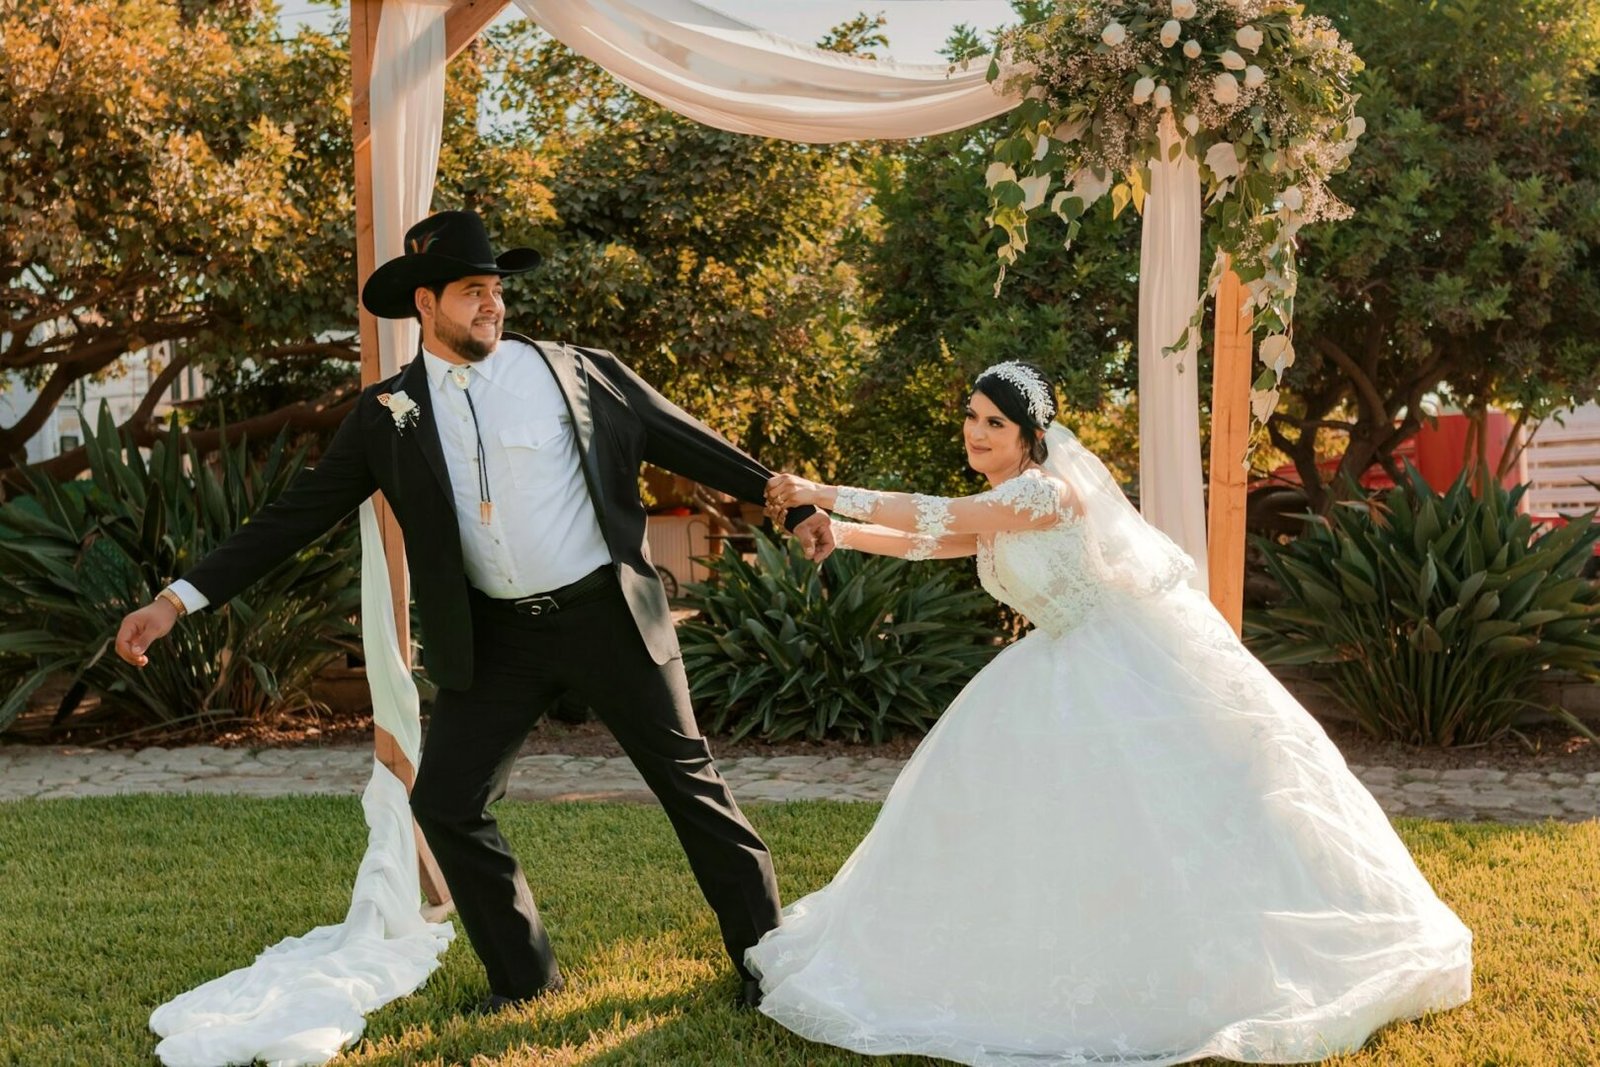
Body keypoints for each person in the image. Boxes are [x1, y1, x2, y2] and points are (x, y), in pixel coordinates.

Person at [114, 209, 833, 1012]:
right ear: (425, 304)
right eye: (472, 291)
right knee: (445, 802)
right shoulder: (387, 413)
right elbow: (292, 516)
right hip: (496, 638)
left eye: (496, 288)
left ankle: (770, 967)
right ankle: (524, 982)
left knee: (691, 789)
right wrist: (176, 601)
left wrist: (792, 504)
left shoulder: (575, 373)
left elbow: (686, 438)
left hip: (608, 616)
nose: (493, 304)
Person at [749, 360, 1471, 1065]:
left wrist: (819, 490)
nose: (976, 431)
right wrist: (840, 532)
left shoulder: (1045, 493)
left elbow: (941, 513)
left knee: (1165, 819)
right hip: (1057, 659)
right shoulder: (1006, 501)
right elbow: (935, 537)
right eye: (972, 417)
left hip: (1118, 664)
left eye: (995, 422)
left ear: (1031, 434)